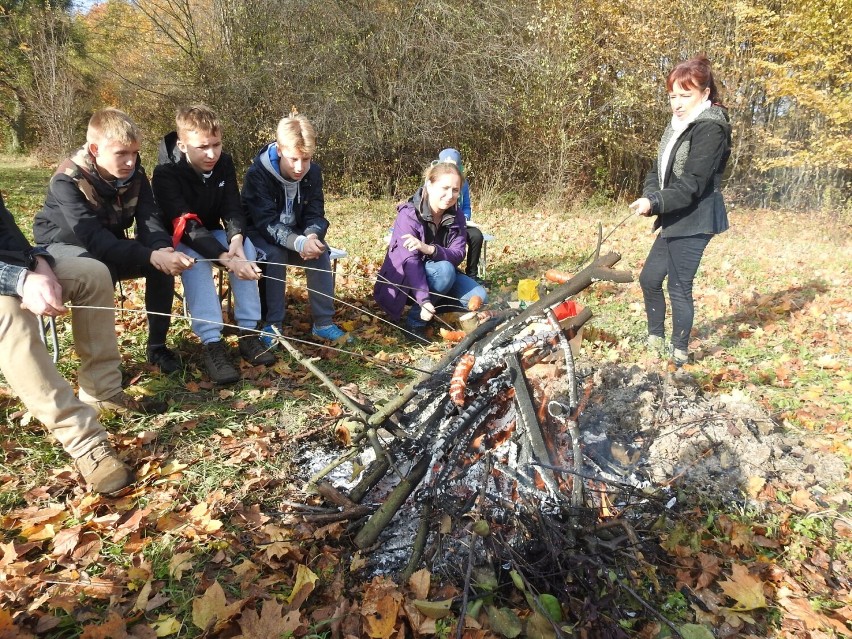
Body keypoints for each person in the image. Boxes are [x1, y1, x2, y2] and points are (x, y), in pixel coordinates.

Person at [33, 108, 194, 377]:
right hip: (61, 249)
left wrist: (162, 249)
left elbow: (150, 219)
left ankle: (157, 347)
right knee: (101, 270)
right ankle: (103, 364)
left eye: (134, 153)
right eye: (122, 153)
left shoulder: (136, 175)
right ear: (95, 149)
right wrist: (149, 255)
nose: (130, 162)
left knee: (160, 265)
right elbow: (94, 239)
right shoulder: (67, 180)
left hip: (110, 244)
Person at [0, 191, 134, 493]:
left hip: (14, 267)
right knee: (9, 314)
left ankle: (102, 391)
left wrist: (38, 261)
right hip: (6, 282)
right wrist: (19, 281)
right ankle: (84, 441)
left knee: (92, 274)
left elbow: (5, 231)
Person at [152, 105, 275, 385]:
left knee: (250, 251)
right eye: (202, 147)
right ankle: (212, 343)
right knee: (194, 262)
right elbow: (186, 226)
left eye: (216, 145)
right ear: (183, 145)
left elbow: (232, 205)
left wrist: (236, 241)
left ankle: (248, 332)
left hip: (214, 232)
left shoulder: (224, 162)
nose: (211, 154)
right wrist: (225, 258)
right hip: (179, 238)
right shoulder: (165, 173)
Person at [629, 55, 731, 366]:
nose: (677, 103)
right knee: (649, 279)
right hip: (674, 215)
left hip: (697, 217)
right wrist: (651, 197)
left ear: (705, 93)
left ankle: (679, 352)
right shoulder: (676, 127)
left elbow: (693, 183)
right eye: (673, 96)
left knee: (678, 286)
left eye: (686, 95)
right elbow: (655, 171)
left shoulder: (711, 128)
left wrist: (656, 202)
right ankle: (655, 336)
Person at [241, 114, 350, 344]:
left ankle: (324, 323)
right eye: (293, 159)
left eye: (306, 159)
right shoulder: (258, 174)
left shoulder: (313, 173)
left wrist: (311, 236)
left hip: (296, 233)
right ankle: (273, 325)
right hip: (258, 234)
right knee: (276, 254)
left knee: (320, 251)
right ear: (280, 150)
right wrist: (299, 242)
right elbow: (265, 223)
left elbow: (315, 213)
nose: (300, 167)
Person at [373, 160, 488, 342]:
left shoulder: (456, 215)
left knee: (479, 296)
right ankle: (414, 324)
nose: (450, 195)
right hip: (405, 281)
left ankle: (433, 308)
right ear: (429, 185)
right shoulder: (408, 215)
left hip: (439, 273)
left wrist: (429, 249)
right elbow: (410, 262)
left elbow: (458, 253)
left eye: (455, 190)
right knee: (445, 271)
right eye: (445, 188)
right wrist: (424, 300)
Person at [437, 148, 485, 280]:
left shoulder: (463, 184)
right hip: (442, 223)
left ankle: (472, 274)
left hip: (460, 222)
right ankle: (446, 273)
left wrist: (465, 217)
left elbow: (466, 206)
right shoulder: (435, 182)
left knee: (476, 235)